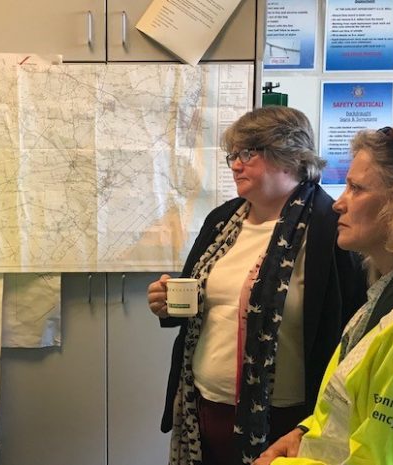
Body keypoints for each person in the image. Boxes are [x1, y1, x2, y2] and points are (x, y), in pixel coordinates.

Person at [147, 106, 367, 465]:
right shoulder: (223, 221)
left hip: (287, 420)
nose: (235, 164)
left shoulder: (332, 228)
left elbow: (350, 331)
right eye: (233, 154)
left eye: (248, 153)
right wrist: (166, 304)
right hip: (204, 407)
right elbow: (196, 301)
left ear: (290, 157)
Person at [255, 126, 393, 465]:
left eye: (356, 189)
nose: (339, 203)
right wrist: (304, 432)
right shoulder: (385, 291)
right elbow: (352, 407)